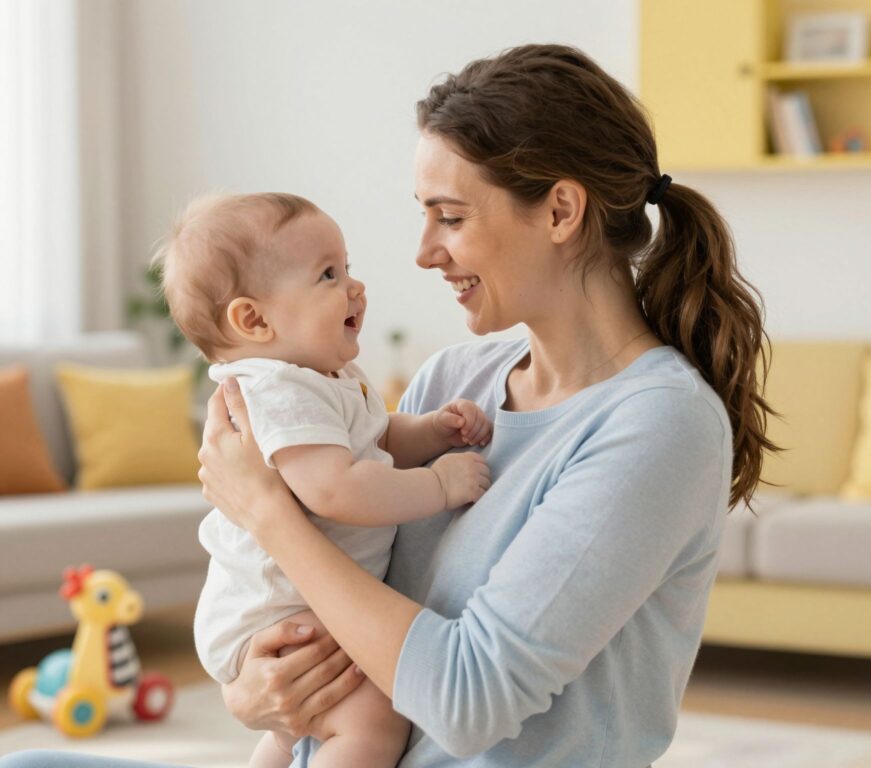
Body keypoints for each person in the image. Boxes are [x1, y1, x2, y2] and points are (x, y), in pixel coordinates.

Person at [0, 43, 775, 768]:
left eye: (452, 217)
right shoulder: (454, 383)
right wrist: (255, 693)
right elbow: (332, 607)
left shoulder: (658, 425)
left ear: (561, 212)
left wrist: (265, 510)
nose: (424, 251)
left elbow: (468, 700)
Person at [159, 193, 493, 768]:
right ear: (254, 320)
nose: (355, 287)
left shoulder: (324, 377)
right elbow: (337, 489)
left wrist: (431, 430)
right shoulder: (278, 389)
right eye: (328, 274)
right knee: (371, 719)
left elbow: (374, 444)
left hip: (293, 602)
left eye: (347, 266)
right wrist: (439, 486)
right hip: (275, 610)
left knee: (297, 728)